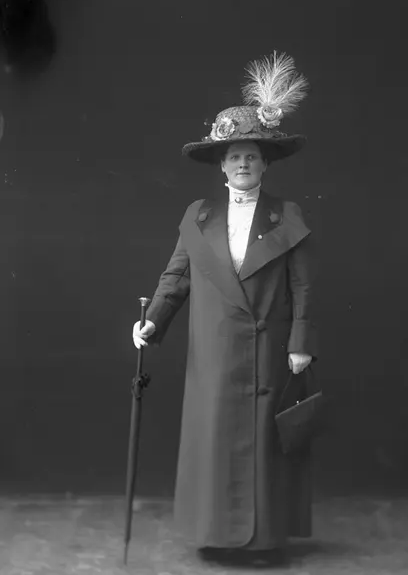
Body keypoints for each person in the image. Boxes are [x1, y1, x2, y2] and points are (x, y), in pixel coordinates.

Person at [132, 52, 318, 565]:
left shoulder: (288, 215)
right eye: (234, 156)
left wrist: (301, 343)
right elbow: (177, 276)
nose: (243, 164)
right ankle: (215, 536)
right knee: (214, 442)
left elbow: (303, 286)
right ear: (220, 164)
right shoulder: (198, 216)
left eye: (251, 156)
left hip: (267, 348)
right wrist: (152, 320)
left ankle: (262, 543)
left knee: (261, 444)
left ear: (265, 163)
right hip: (213, 352)